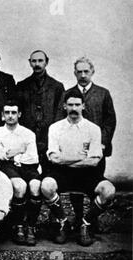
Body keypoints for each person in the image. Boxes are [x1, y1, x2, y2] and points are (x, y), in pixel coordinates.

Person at [40, 91, 116, 246]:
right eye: (70, 105)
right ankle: (64, 222)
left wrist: (65, 158)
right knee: (46, 186)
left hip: (87, 174)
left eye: (77, 104)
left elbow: (94, 161)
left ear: (83, 106)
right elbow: (54, 158)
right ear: (64, 106)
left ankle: (85, 223)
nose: (74, 108)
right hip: (62, 174)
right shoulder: (55, 128)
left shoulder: (93, 128)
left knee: (109, 191)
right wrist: (81, 157)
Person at [57, 57, 117, 229]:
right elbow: (61, 121)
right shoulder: (68, 94)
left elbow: (110, 120)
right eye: (79, 72)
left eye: (86, 71)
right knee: (76, 184)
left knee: (93, 182)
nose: (83, 75)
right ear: (74, 73)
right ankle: (78, 216)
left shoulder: (103, 93)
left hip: (96, 149)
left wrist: (103, 143)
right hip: (73, 149)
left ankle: (92, 220)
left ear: (92, 72)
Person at [0, 100, 41, 246]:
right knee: (19, 186)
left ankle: (31, 226)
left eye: (13, 113)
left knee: (36, 185)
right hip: (7, 166)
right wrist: (21, 149)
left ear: (19, 114)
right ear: (2, 115)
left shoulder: (28, 133)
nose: (10, 116)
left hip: (28, 166)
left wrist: (14, 152)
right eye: (7, 113)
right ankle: (18, 225)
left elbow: (33, 157)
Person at [16, 50, 65, 175]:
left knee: (50, 173)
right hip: (28, 137)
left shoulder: (57, 86)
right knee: (28, 172)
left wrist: (54, 135)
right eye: (34, 61)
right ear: (30, 63)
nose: (37, 64)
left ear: (46, 62)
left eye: (40, 61)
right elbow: (18, 112)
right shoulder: (22, 85)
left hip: (48, 137)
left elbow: (60, 113)